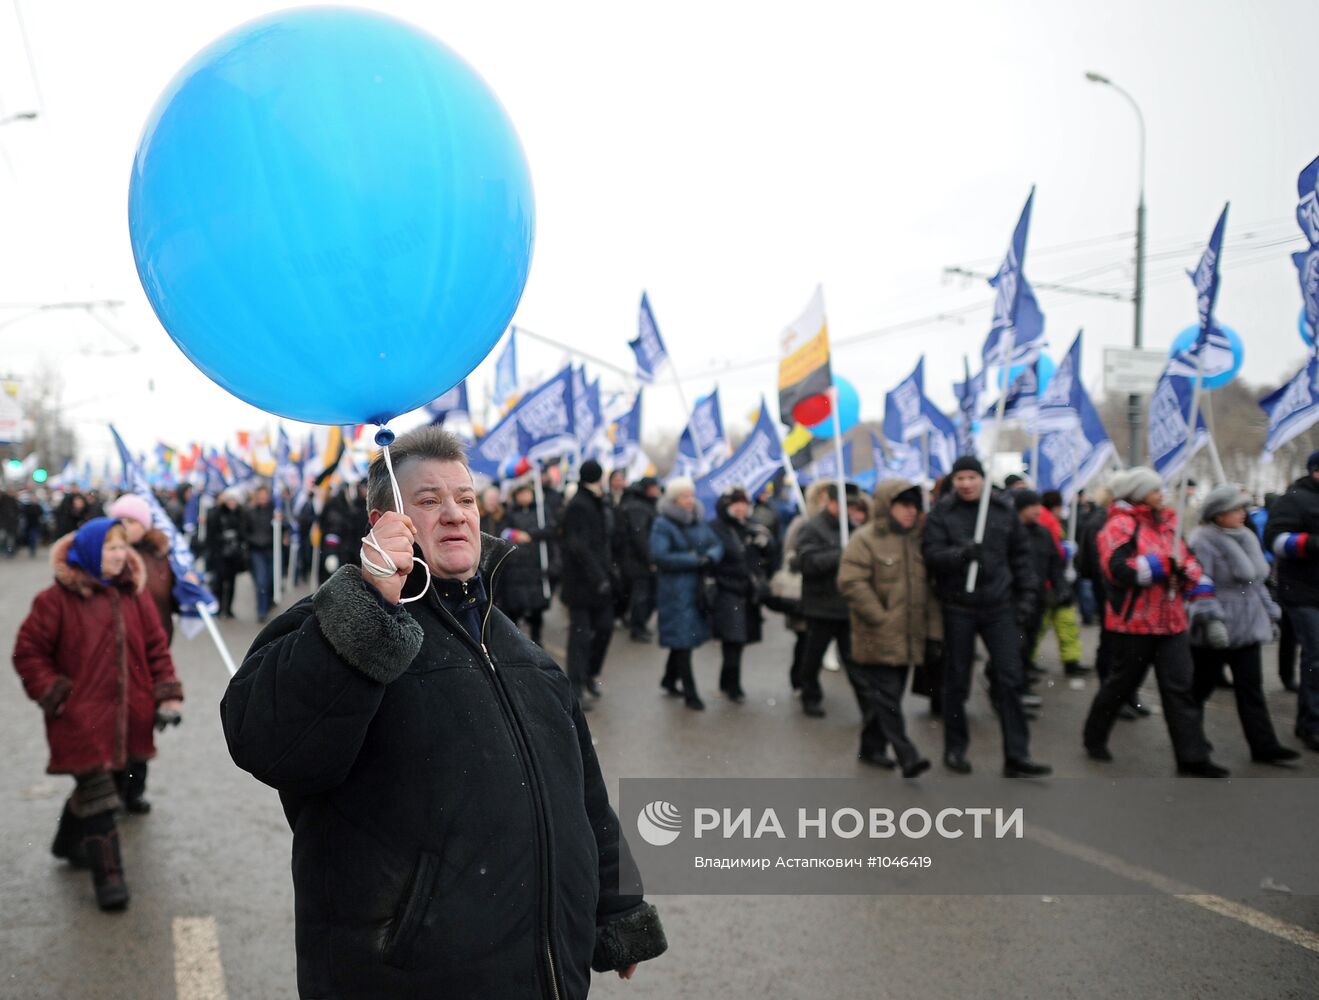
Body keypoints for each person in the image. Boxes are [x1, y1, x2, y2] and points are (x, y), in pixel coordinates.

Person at [219, 426, 666, 997]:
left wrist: (617, 904)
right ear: (384, 520)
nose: (455, 514)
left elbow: (582, 793)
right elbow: (266, 742)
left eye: (466, 498)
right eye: (428, 501)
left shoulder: (523, 652)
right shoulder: (336, 622)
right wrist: (368, 605)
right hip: (407, 978)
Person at [12, 517, 183, 911]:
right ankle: (110, 881)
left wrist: (167, 694)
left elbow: (156, 649)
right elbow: (28, 652)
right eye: (110, 548)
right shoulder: (54, 601)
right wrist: (55, 694)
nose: (120, 555)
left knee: (113, 788)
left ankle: (66, 842)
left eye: (123, 547)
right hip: (80, 719)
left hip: (131, 715)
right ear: (89, 551)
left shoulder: (134, 596)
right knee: (101, 796)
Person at [1082, 467, 1229, 777]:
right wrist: (1164, 566)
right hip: (1133, 624)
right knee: (1121, 684)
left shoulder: (1169, 524)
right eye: (1154, 490)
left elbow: (1189, 562)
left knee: (1180, 688)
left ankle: (1192, 758)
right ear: (1137, 493)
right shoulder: (1118, 525)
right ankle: (1094, 737)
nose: (1162, 494)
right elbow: (1119, 570)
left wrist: (1185, 573)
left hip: (1172, 622)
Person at [922, 456, 1051, 778]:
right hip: (958, 607)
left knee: (1010, 678)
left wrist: (1026, 599)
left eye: (971, 477)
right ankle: (955, 748)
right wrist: (961, 554)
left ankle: (1017, 755)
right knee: (956, 680)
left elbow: (1021, 557)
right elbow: (932, 556)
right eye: (960, 478)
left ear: (982, 479)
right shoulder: (942, 513)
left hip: (998, 606)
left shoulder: (1003, 511)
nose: (966, 484)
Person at [1188, 485, 1299, 764]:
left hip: (1247, 626)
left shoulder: (1247, 536)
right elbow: (1199, 583)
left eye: (1242, 508)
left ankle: (1264, 746)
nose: (1242, 514)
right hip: (1216, 627)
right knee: (1199, 689)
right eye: (1235, 509)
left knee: (1252, 689)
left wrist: (1270, 613)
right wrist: (1211, 619)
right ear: (1218, 514)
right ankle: (1192, 745)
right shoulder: (1202, 540)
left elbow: (1255, 583)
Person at [837, 478, 934, 778]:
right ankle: (907, 754)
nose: (909, 512)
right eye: (903, 505)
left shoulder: (917, 539)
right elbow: (850, 582)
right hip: (877, 633)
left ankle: (870, 747)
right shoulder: (865, 539)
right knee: (888, 697)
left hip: (908, 635)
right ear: (886, 506)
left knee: (886, 697)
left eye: (914, 506)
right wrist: (880, 617)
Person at [793, 483, 870, 718]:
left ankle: (868, 707)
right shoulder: (812, 528)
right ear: (832, 503)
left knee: (854, 661)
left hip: (847, 606)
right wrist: (840, 553)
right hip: (821, 606)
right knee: (813, 657)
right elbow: (807, 563)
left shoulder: (854, 528)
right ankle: (810, 696)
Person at [1263, 451, 1319, 753]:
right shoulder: (1294, 499)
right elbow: (1274, 540)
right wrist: (1311, 543)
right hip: (1303, 593)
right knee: (1316, 657)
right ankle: (1311, 724)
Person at [650, 477, 723, 709]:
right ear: (674, 499)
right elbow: (659, 556)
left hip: (695, 588)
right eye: (684, 496)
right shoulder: (663, 524)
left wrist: (710, 557)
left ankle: (669, 679)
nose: (690, 500)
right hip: (675, 590)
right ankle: (691, 693)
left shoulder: (698, 520)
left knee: (683, 638)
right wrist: (693, 560)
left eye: (691, 495)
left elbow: (716, 544)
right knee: (683, 640)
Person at [708, 486, 776, 702]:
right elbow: (718, 559)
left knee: (737, 640)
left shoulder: (749, 528)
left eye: (744, 504)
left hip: (746, 592)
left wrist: (765, 546)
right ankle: (733, 686)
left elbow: (761, 561)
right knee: (733, 638)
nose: (741, 508)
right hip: (727, 589)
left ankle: (726, 682)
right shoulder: (716, 528)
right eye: (736, 504)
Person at [559, 460, 616, 704]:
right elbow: (577, 546)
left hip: (600, 579)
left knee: (604, 628)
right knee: (580, 636)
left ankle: (590, 674)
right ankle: (577, 686)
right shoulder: (579, 504)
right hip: (582, 582)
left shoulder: (597, 501)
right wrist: (597, 574)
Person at [108, 493, 178, 644]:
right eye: (119, 521)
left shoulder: (161, 555)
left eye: (131, 521)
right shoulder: (108, 555)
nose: (124, 526)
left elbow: (171, 598)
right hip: (120, 640)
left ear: (145, 525)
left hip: (158, 637)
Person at [495, 477, 553, 645]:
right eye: (522, 493)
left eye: (528, 492)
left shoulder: (541, 511)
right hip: (517, 566)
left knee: (537, 607)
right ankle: (517, 642)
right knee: (516, 605)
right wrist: (516, 535)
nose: (525, 496)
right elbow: (504, 532)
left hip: (535, 565)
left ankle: (537, 639)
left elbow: (550, 530)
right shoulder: (510, 513)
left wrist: (532, 535)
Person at [1036, 490, 1086, 676]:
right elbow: (1048, 553)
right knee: (1050, 625)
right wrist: (1063, 554)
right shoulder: (1047, 521)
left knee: (1063, 623)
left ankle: (1070, 661)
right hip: (1051, 584)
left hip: (1057, 583)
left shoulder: (1053, 522)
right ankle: (1069, 661)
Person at [615, 477, 660, 641]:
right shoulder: (639, 507)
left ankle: (636, 623)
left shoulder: (642, 504)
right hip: (637, 560)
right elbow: (639, 536)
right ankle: (637, 627)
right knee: (642, 595)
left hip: (636, 558)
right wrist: (650, 560)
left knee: (642, 594)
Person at [206, 488, 247, 618]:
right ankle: (218, 607)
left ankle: (228, 608)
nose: (231, 502)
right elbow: (211, 534)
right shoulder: (217, 513)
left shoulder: (241, 514)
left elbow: (243, 532)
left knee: (231, 582)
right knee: (219, 581)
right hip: (220, 553)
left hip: (234, 555)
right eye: (229, 499)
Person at [245, 484, 276, 623]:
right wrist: (254, 541)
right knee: (262, 581)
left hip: (271, 550)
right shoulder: (250, 512)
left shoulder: (274, 512)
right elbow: (245, 531)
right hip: (257, 551)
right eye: (260, 496)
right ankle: (261, 610)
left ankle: (268, 603)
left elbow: (286, 526)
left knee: (271, 580)